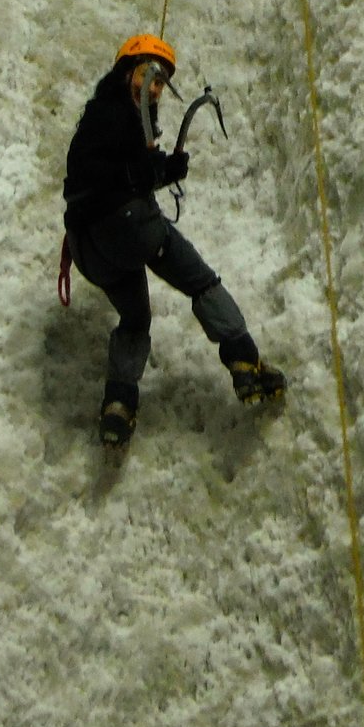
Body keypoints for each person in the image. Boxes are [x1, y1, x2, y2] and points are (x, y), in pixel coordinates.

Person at [62, 33, 284, 447]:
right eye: (150, 74)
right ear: (127, 71)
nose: (155, 86)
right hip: (132, 227)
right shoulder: (118, 116)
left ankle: (118, 405)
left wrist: (164, 168)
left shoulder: (97, 117)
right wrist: (159, 168)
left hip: (89, 247)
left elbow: (111, 173)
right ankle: (245, 362)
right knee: (200, 282)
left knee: (135, 320)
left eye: (161, 80)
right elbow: (130, 173)